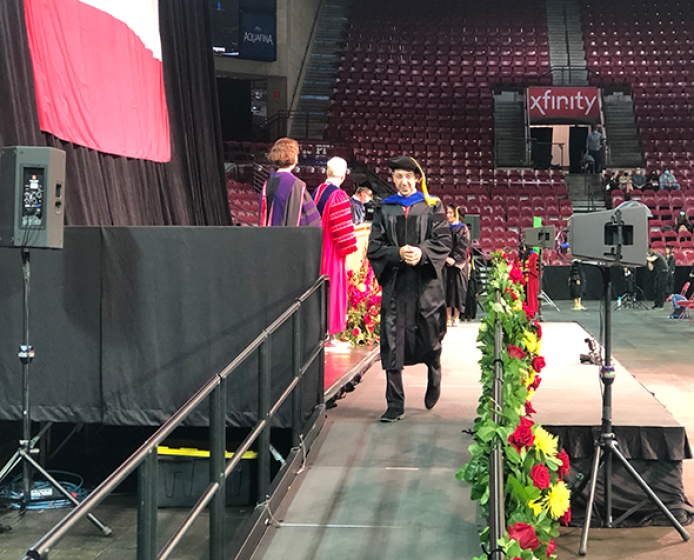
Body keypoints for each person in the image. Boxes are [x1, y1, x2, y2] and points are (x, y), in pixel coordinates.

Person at [367, 155, 451, 422]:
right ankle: (394, 403)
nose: (404, 182)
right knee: (391, 339)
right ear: (393, 179)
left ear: (417, 178)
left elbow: (443, 240)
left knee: (430, 335)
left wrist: (422, 253)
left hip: (426, 284)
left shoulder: (432, 205)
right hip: (396, 284)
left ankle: (434, 371)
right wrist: (397, 253)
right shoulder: (385, 208)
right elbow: (374, 247)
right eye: (398, 176)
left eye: (408, 176)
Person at [312, 157, 358, 341]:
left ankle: (319, 332)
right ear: (343, 175)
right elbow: (343, 233)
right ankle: (330, 334)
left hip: (316, 249)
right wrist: (349, 248)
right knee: (332, 290)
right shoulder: (338, 195)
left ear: (326, 172)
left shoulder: (317, 190)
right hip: (331, 251)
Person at [259, 138, 321, 227]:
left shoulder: (267, 183)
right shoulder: (296, 185)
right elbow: (312, 221)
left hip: (269, 234)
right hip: (289, 235)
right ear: (293, 157)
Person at [445, 204, 470, 326]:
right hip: (445, 263)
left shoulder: (463, 229)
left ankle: (456, 317)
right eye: (447, 212)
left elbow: (463, 246)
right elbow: (441, 244)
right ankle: (447, 318)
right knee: (447, 291)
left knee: (458, 291)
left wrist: (454, 260)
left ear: (456, 214)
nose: (448, 215)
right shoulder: (444, 228)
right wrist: (445, 258)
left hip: (459, 265)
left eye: (450, 213)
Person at [519, 242, 539, 317]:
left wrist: (529, 270)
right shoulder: (523, 257)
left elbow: (537, 269)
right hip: (524, 280)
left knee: (531, 297)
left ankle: (532, 312)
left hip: (532, 279)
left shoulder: (535, 255)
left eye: (522, 249)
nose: (522, 252)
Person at [462, 252, 480, 321]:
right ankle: (462, 314)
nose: (468, 258)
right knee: (462, 299)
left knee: (471, 299)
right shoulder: (461, 265)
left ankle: (470, 315)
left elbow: (477, 280)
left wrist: (477, 290)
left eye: (469, 256)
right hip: (463, 283)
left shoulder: (474, 267)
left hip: (471, 284)